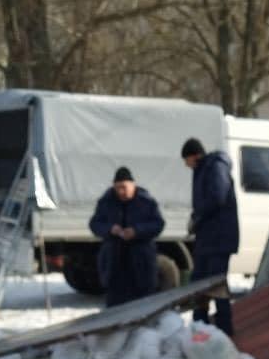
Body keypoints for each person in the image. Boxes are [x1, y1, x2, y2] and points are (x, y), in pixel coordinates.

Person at [181, 137, 239, 336]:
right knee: (199, 283)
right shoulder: (202, 170)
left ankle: (224, 329)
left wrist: (197, 218)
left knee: (216, 284)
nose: (186, 165)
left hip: (219, 239)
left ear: (194, 155)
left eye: (186, 160)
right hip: (207, 239)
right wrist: (195, 219)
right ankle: (201, 327)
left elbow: (218, 197)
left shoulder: (215, 166)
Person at [89, 166, 165, 306]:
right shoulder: (106, 201)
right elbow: (95, 224)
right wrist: (110, 229)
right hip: (114, 263)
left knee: (143, 304)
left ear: (133, 185)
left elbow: (158, 224)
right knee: (115, 305)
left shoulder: (146, 201)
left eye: (124, 187)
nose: (121, 192)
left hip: (141, 262)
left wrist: (137, 231)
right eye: (118, 188)